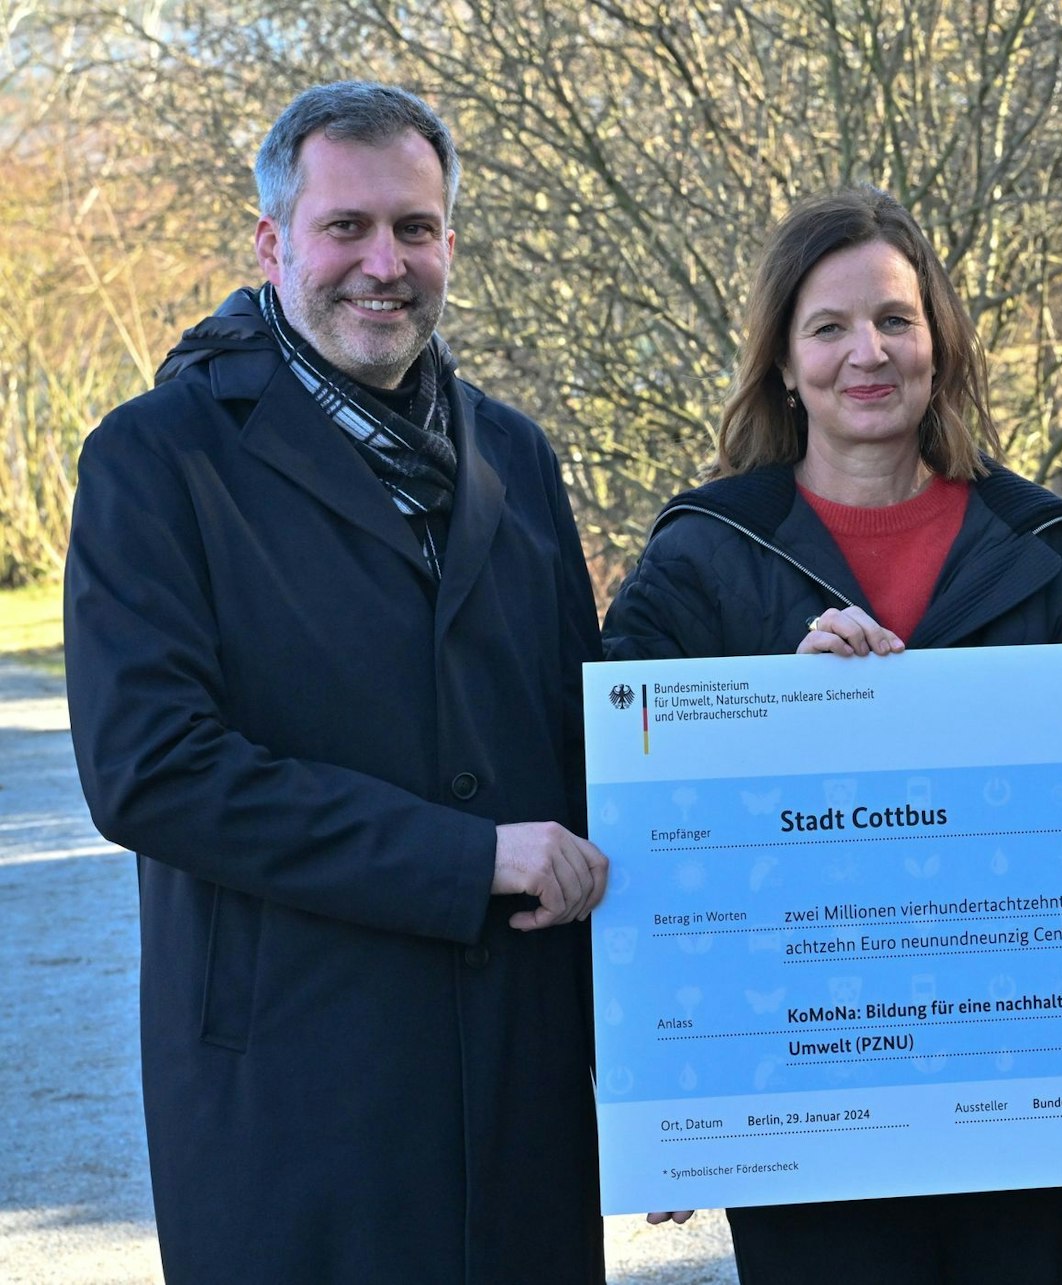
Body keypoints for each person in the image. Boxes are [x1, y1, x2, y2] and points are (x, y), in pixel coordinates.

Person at [64, 82, 607, 1283]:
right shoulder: (156, 459)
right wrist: (465, 858)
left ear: (449, 241)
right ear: (272, 245)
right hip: (299, 1100)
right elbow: (152, 771)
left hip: (517, 1098)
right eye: (345, 227)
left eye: (415, 228)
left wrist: (789, 706)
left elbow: (585, 734)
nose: (384, 263)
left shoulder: (515, 454)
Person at [602, 187, 1062, 1283]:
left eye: (895, 319)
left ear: (939, 343)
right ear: (784, 363)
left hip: (1022, 1080)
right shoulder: (702, 553)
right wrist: (771, 717)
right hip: (802, 1085)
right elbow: (626, 807)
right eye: (829, 327)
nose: (867, 353)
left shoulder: (1038, 544)